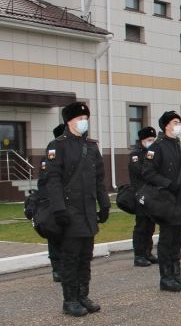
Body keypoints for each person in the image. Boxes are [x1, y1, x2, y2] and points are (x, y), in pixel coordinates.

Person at [46, 102, 110, 316]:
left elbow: (99, 179)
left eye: (85, 118)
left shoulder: (91, 146)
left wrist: (105, 203)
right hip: (69, 211)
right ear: (69, 121)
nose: (84, 122)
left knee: (85, 256)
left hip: (88, 211)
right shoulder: (58, 145)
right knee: (70, 257)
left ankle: (83, 295)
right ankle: (70, 300)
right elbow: (52, 180)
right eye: (79, 119)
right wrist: (59, 209)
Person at [142, 111, 181, 291]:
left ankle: (176, 274)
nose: (178, 125)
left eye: (179, 121)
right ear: (166, 125)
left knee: (177, 240)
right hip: (166, 201)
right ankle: (166, 277)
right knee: (167, 240)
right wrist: (168, 184)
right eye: (175, 122)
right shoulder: (157, 146)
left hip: (180, 201)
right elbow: (147, 172)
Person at [36, 123, 66, 282]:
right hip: (52, 203)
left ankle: (67, 267)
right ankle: (57, 269)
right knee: (54, 235)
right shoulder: (49, 158)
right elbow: (44, 182)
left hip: (69, 202)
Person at [129, 126, 158, 267]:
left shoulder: (152, 153)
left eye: (153, 140)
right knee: (141, 226)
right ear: (142, 140)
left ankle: (148, 252)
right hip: (140, 194)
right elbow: (142, 172)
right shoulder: (135, 155)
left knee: (150, 225)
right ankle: (139, 255)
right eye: (149, 140)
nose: (151, 142)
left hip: (152, 195)